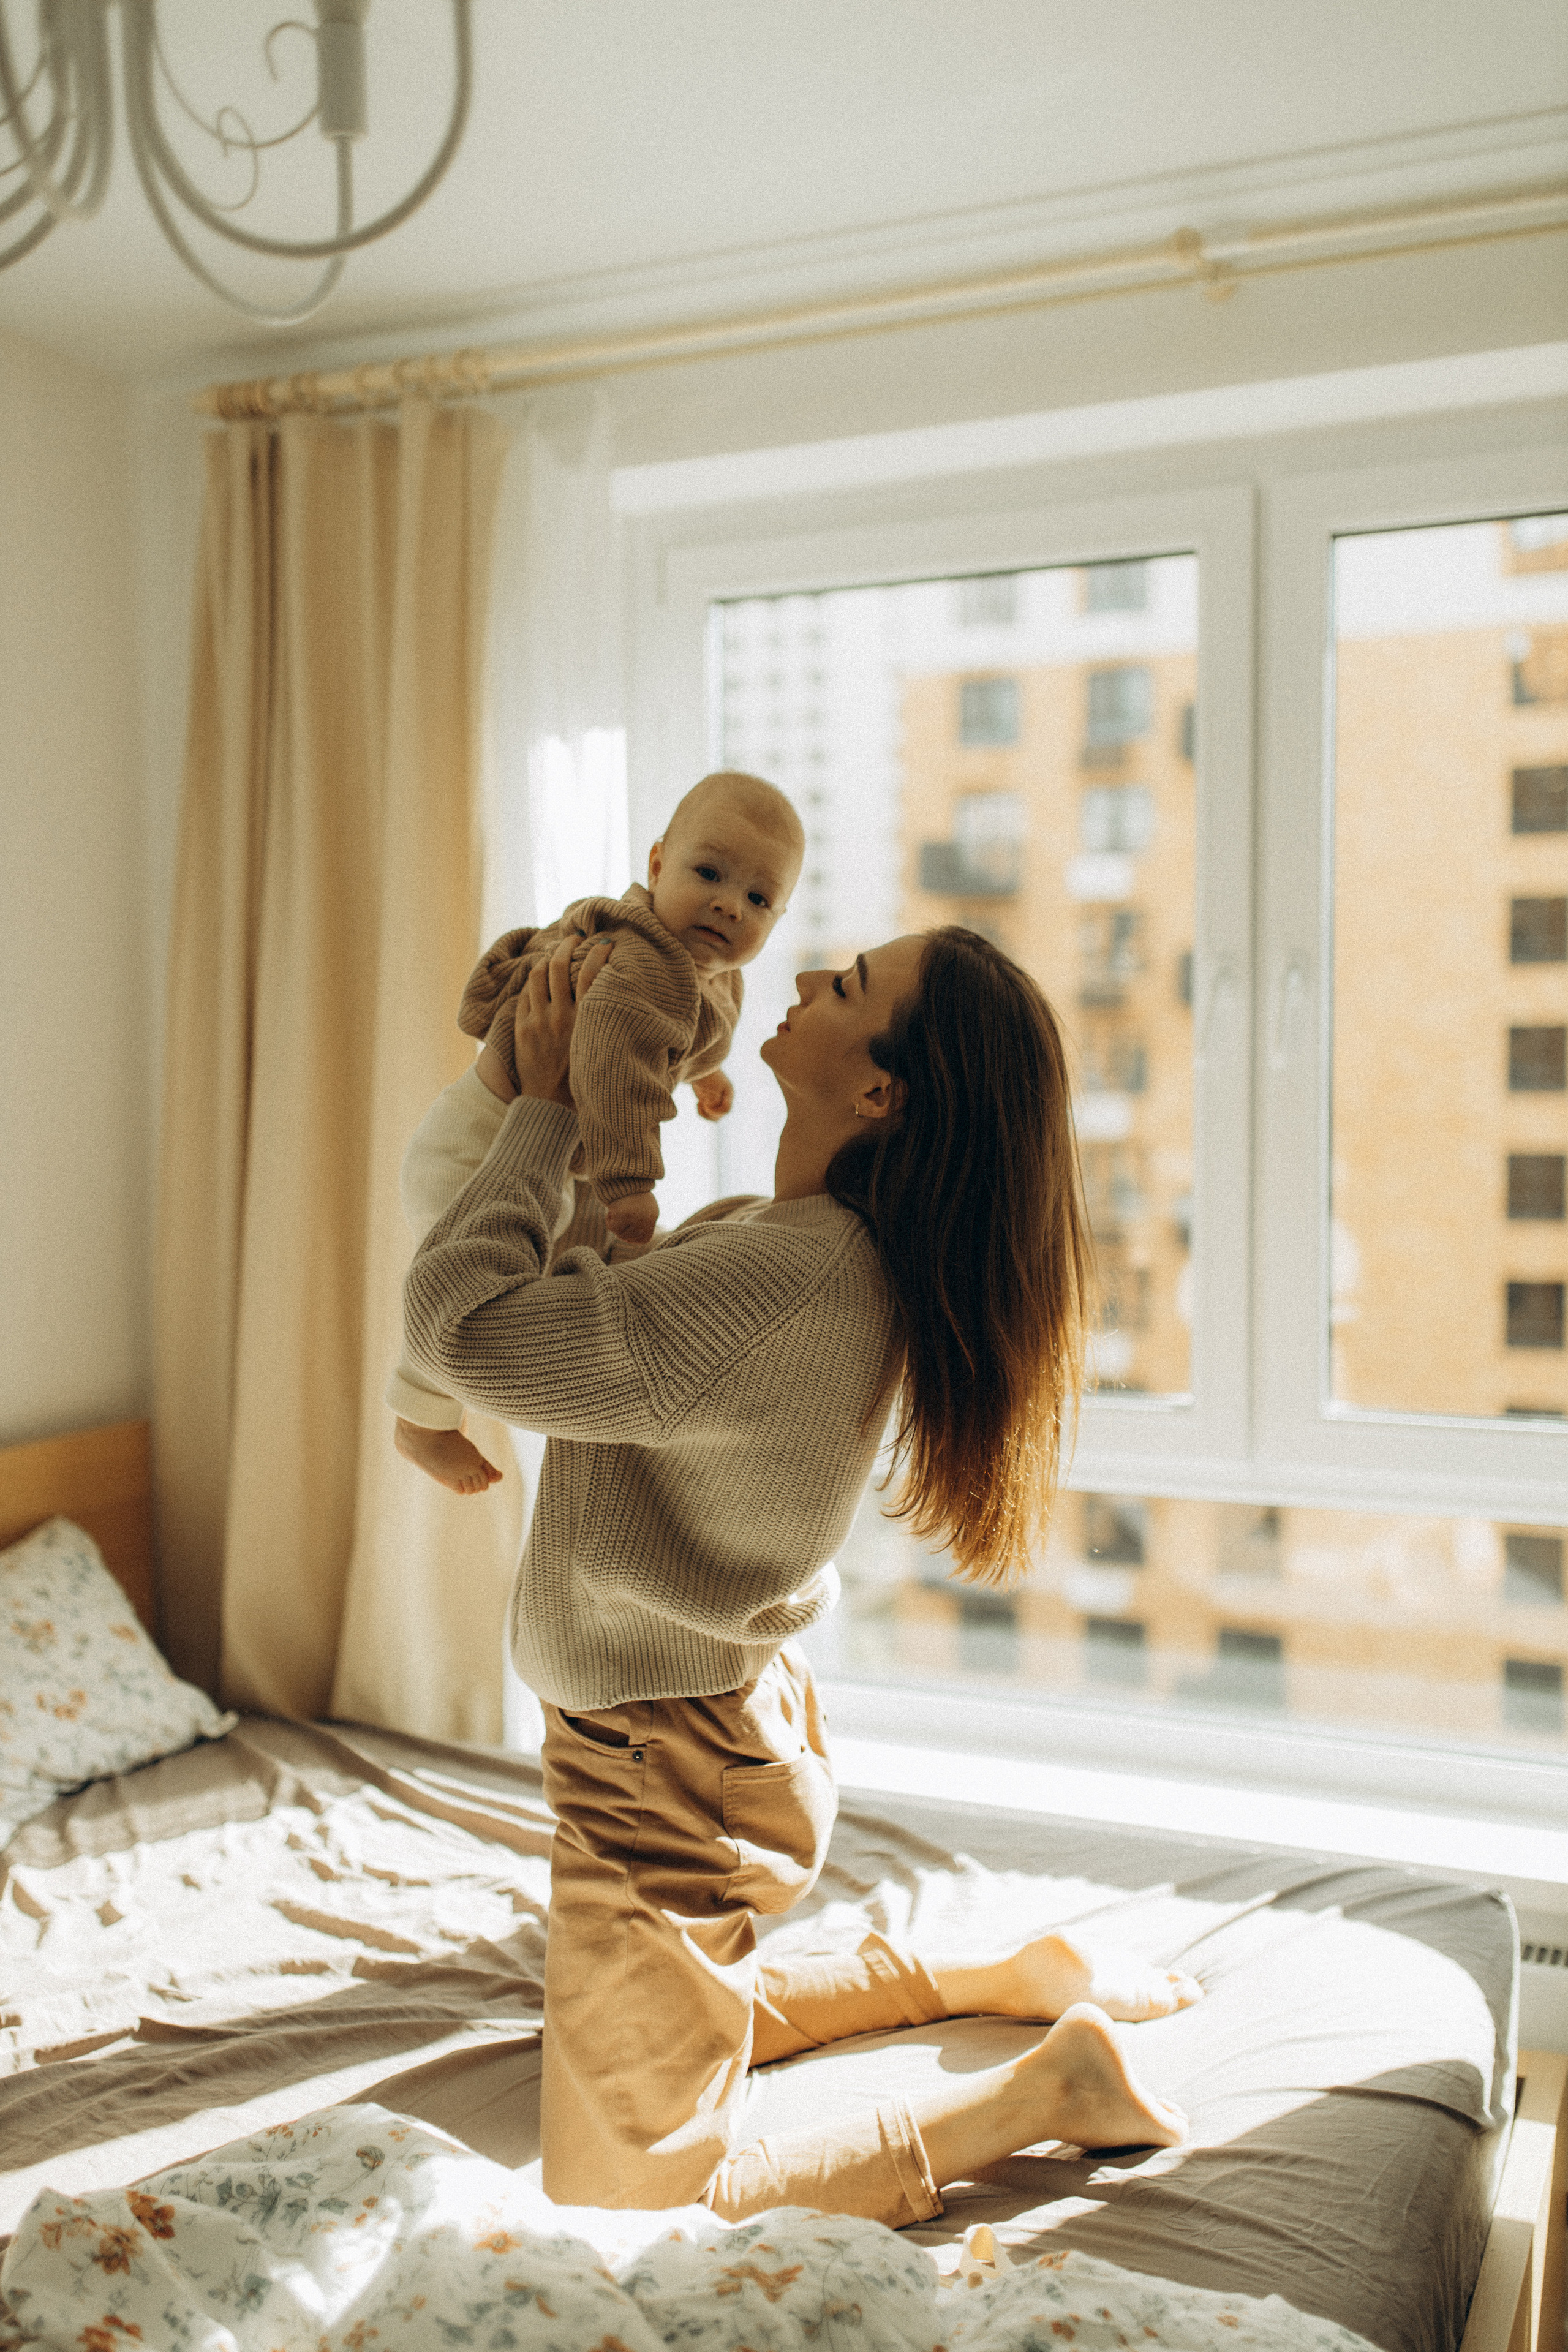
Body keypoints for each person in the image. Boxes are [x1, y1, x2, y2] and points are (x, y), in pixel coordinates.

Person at [402, 924, 1198, 2228]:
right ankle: (993, 1974)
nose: (805, 982)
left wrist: (542, 1107)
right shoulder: (797, 1247)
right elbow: (569, 1319)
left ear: (877, 1091)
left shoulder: (779, 1279)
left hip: (656, 1771)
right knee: (641, 2016)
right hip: (703, 1740)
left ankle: (1043, 2091)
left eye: (848, 986)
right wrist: (564, 1079)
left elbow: (468, 1332)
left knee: (625, 2213)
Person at [388, 769, 804, 1496]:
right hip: (477, 1149)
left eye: (759, 898)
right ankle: (421, 1419)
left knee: (574, 1275)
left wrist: (704, 1075)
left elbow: (672, 1049)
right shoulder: (638, 965)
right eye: (709, 872)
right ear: (655, 865)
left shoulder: (709, 973)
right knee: (468, 1296)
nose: (728, 903)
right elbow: (616, 1082)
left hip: (544, 1164)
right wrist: (631, 1186)